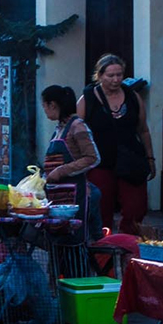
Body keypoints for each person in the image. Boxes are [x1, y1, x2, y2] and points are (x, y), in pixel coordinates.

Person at [82, 55, 154, 236]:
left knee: (136, 208)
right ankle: (103, 252)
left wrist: (150, 157)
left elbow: (143, 130)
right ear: (100, 75)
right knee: (101, 208)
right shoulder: (87, 99)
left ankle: (127, 246)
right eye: (110, 75)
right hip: (100, 162)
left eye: (119, 75)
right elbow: (76, 131)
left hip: (131, 159)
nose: (115, 80)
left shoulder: (132, 97)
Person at [40, 84, 101, 234]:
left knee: (75, 243)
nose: (45, 111)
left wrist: (61, 171)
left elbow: (93, 158)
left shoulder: (77, 126)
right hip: (58, 198)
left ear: (52, 105)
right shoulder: (59, 129)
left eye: (45, 106)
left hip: (76, 196)